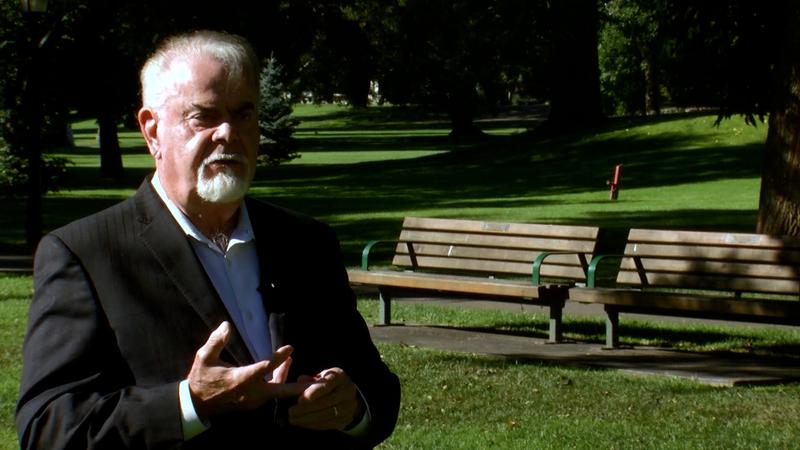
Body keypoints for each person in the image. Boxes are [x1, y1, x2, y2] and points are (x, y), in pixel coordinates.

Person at [15, 30, 400, 449]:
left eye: (243, 114)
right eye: (204, 117)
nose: (228, 133)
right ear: (152, 131)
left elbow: (377, 392)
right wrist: (190, 404)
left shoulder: (307, 243)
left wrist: (351, 407)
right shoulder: (87, 255)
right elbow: (48, 429)